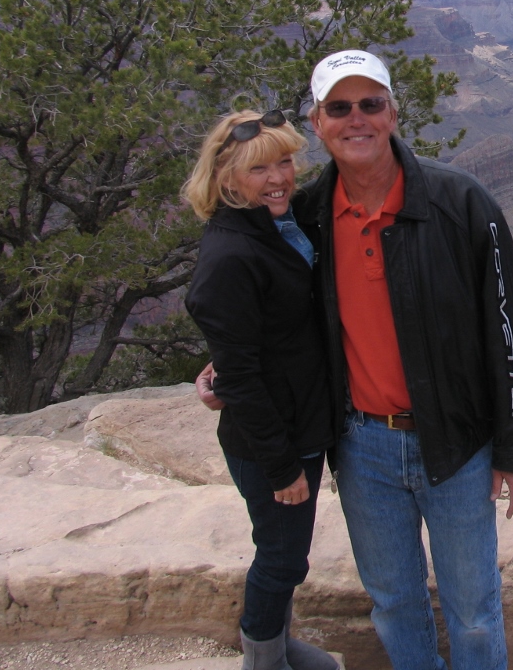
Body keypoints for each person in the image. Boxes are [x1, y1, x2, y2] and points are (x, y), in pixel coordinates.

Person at [301, 49, 513, 670]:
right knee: (392, 602)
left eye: (371, 104)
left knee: (474, 613)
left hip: (458, 443)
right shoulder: (306, 217)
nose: (357, 119)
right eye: (340, 107)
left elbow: (510, 331)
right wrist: (226, 368)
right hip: (360, 447)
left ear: (393, 113)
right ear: (317, 122)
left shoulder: (461, 203)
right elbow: (271, 316)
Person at [182, 110, 339, 670]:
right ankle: (263, 659)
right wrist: (282, 469)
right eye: (258, 169)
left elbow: (261, 334)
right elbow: (242, 378)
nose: (279, 178)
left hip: (301, 417)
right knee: (280, 558)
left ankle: (275, 640)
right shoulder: (230, 254)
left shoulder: (274, 222)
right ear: (226, 177)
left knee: (286, 552)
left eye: (285, 161)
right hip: (273, 439)